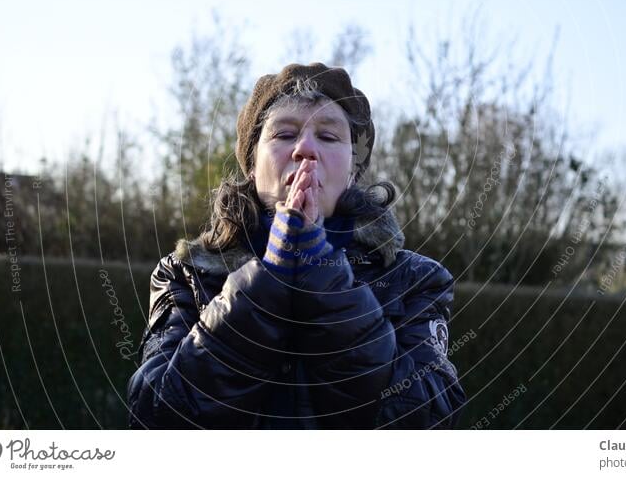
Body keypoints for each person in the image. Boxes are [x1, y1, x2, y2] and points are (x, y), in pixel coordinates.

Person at [126, 62, 466, 429]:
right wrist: (266, 283)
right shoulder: (187, 273)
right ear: (252, 166)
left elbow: (431, 418)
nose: (305, 149)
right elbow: (154, 413)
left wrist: (323, 277)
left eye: (329, 137)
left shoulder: (415, 278)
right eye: (285, 134)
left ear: (353, 170)